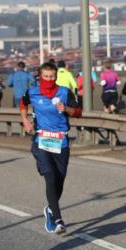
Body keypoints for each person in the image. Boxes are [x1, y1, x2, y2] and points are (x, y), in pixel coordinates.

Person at [21, 61, 81, 234]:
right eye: (45, 77)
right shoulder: (32, 91)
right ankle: (59, 218)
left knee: (59, 181)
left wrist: (66, 109)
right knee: (50, 176)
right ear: (40, 76)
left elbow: (79, 111)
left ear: (56, 76)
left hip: (61, 142)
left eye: (52, 76)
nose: (49, 79)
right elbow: (23, 104)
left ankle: (49, 209)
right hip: (41, 141)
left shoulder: (64, 92)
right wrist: (25, 120)